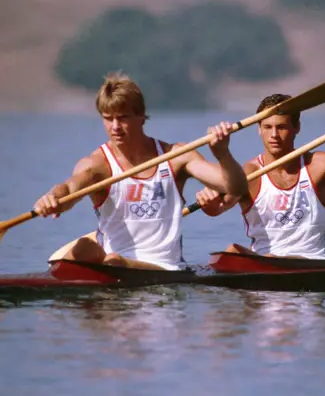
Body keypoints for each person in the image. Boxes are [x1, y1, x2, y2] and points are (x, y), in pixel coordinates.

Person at [34, 72, 248, 270]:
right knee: (84, 248)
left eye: (123, 117)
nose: (115, 126)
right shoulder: (96, 165)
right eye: (108, 118)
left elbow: (235, 187)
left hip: (164, 268)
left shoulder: (176, 156)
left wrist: (222, 153)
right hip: (113, 262)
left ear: (142, 116)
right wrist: (53, 198)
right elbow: (70, 188)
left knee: (112, 260)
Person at [195, 94, 325, 259]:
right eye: (267, 127)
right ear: (258, 129)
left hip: (313, 265)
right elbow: (218, 207)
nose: (274, 135)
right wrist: (209, 202)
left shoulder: (320, 165)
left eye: (281, 127)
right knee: (231, 253)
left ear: (297, 128)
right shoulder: (249, 173)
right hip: (264, 266)